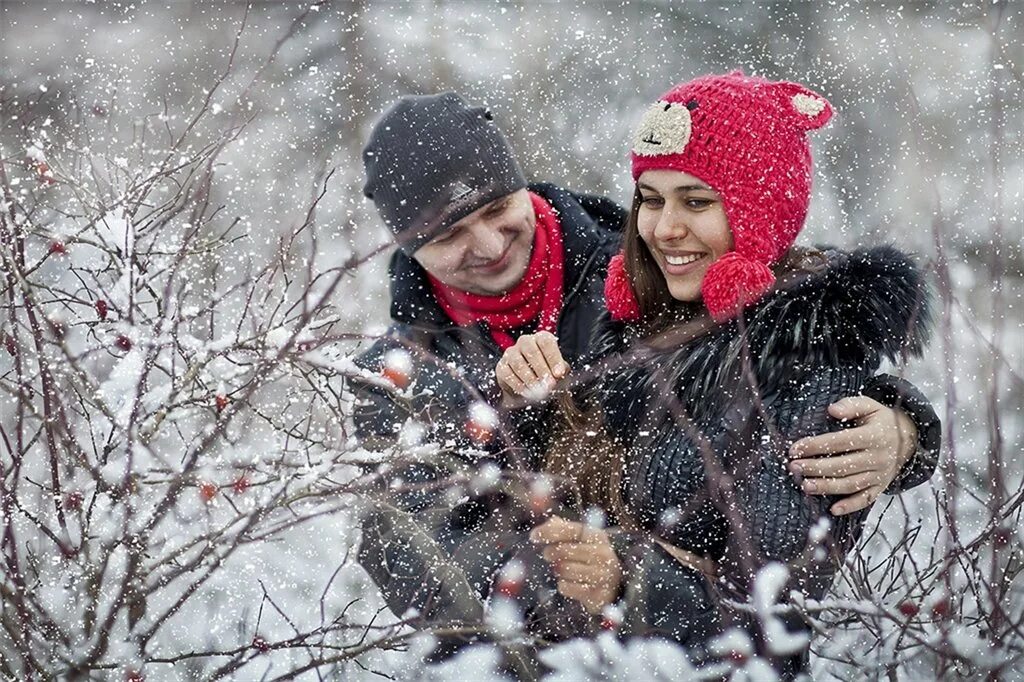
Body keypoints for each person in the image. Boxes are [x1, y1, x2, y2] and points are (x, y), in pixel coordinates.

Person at [351, 92, 940, 653]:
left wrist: (904, 425)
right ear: (408, 247)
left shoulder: (640, 271)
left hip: (691, 642)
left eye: (498, 208)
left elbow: (779, 338)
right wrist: (564, 567)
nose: (488, 244)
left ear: (520, 186)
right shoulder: (395, 378)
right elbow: (408, 549)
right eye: (450, 235)